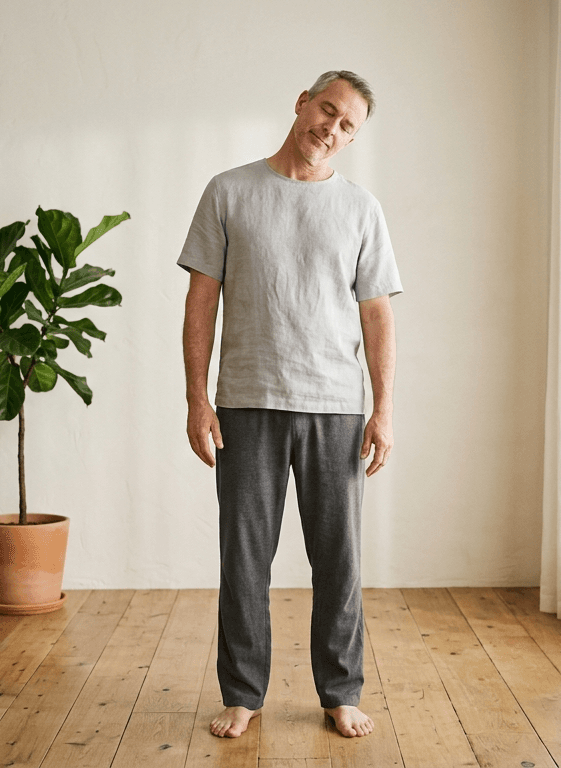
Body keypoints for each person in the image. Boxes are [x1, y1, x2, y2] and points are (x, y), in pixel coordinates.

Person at [178, 70, 402, 740]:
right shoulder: (229, 191)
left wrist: (384, 408)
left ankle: (341, 690)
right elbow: (200, 305)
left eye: (346, 126)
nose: (330, 129)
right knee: (243, 557)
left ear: (352, 137)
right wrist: (197, 398)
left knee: (340, 558)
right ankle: (242, 692)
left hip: (336, 407)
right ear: (302, 103)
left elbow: (378, 317)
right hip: (246, 402)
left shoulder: (361, 209)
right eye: (326, 111)